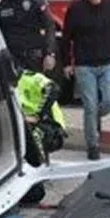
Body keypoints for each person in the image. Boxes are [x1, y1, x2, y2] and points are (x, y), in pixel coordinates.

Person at [59, 0, 110, 160]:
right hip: (84, 65)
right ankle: (93, 145)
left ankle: (93, 118)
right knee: (89, 105)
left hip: (107, 64)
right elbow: (66, 39)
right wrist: (66, 63)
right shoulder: (76, 9)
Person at [14, 69, 68, 204]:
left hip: (50, 125)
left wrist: (38, 115)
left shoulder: (29, 77)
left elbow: (53, 88)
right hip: (27, 125)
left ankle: (39, 172)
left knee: (33, 135)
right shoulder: (5, 86)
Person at [0, 0, 58, 73]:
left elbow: (50, 25)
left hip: (33, 58)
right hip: (12, 59)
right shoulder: (0, 4)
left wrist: (50, 53)